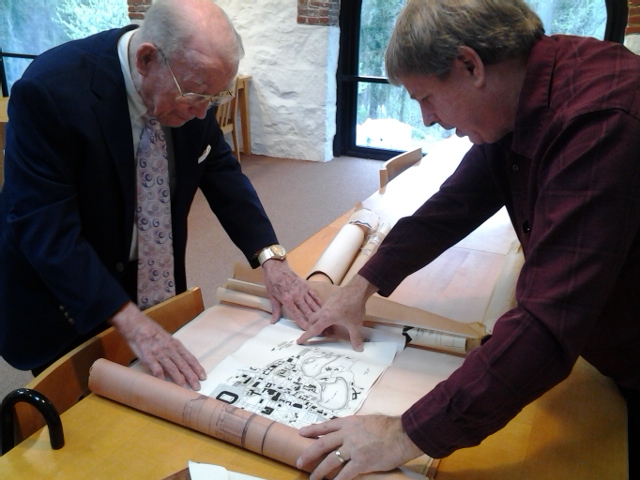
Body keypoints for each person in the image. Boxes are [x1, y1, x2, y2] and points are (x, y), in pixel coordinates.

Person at [295, 0, 640, 478]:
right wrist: (358, 289)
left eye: (426, 97)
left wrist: (403, 434)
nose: (429, 118)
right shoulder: (519, 99)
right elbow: (453, 206)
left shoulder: (599, 119)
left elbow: (547, 323)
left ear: (470, 65)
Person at [0, 0, 321, 390]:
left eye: (215, 99)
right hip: (67, 294)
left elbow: (221, 171)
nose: (203, 115)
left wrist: (270, 258)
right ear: (147, 59)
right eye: (196, 96)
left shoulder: (189, 86)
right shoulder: (50, 91)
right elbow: (45, 230)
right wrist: (130, 320)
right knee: (83, 413)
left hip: (150, 276)